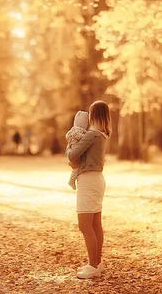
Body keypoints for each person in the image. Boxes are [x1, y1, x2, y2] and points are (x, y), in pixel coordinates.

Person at [66, 100, 111, 279]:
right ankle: (97, 263)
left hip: (89, 182)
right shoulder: (102, 134)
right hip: (96, 180)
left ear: (93, 116)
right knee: (95, 225)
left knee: (84, 225)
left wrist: (72, 135)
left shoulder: (91, 135)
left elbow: (71, 154)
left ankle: (93, 265)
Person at [65, 110, 89, 190]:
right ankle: (71, 180)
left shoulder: (72, 131)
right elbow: (82, 139)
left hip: (72, 149)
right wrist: (87, 136)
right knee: (76, 168)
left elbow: (67, 136)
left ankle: (72, 179)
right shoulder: (78, 132)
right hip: (76, 152)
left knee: (75, 168)